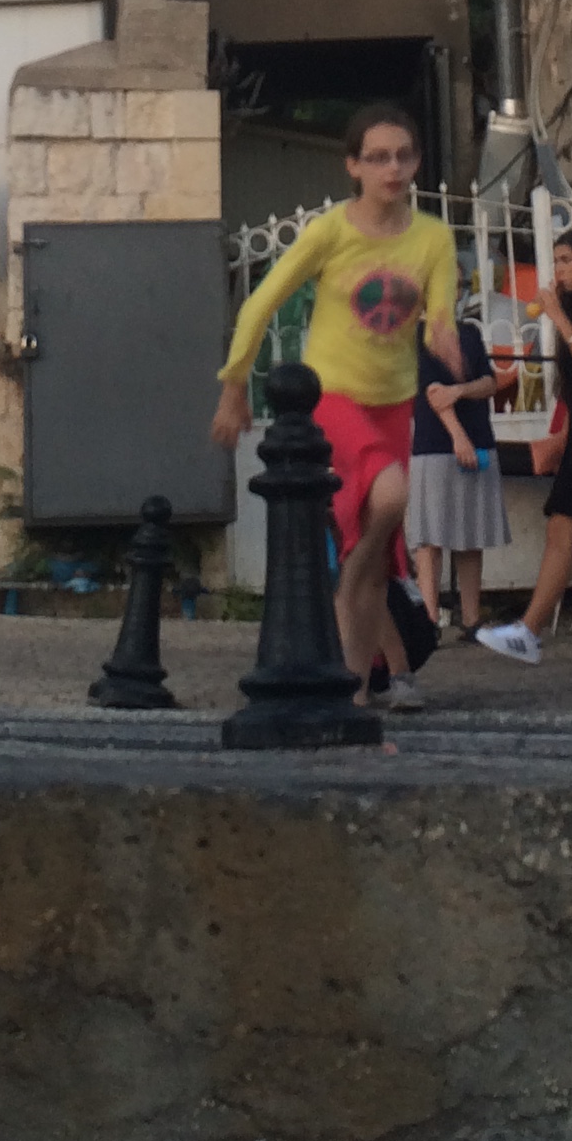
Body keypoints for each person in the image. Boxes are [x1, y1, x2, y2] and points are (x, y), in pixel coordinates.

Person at [213, 104, 464, 710]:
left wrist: (443, 335)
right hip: (334, 398)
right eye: (377, 157)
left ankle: (352, 691)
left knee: (377, 548)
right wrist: (234, 385)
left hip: (395, 404)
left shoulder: (433, 236)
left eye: (403, 156)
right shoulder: (331, 232)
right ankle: (349, 591)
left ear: (417, 162)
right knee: (391, 496)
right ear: (353, 166)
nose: (392, 169)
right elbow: (261, 302)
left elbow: (440, 311)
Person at [476, 226, 572, 665]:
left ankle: (529, 630)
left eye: (567, 260)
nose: (559, 270)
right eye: (556, 261)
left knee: (568, 526)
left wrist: (558, 317)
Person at [409, 308, 508, 634]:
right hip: (435, 443)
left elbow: (489, 382)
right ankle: (429, 619)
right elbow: (432, 392)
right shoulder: (418, 335)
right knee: (430, 537)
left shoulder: (469, 333)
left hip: (478, 437)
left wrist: (460, 391)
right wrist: (458, 436)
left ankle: (471, 618)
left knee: (471, 534)